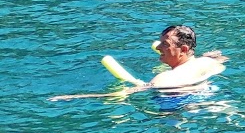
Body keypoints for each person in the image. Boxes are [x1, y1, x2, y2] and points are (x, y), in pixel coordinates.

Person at [49, 24, 227, 101]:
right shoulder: (208, 62)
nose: (158, 48)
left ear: (184, 50)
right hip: (210, 94)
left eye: (164, 45)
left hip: (181, 104)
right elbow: (221, 58)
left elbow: (122, 94)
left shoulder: (165, 78)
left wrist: (72, 97)